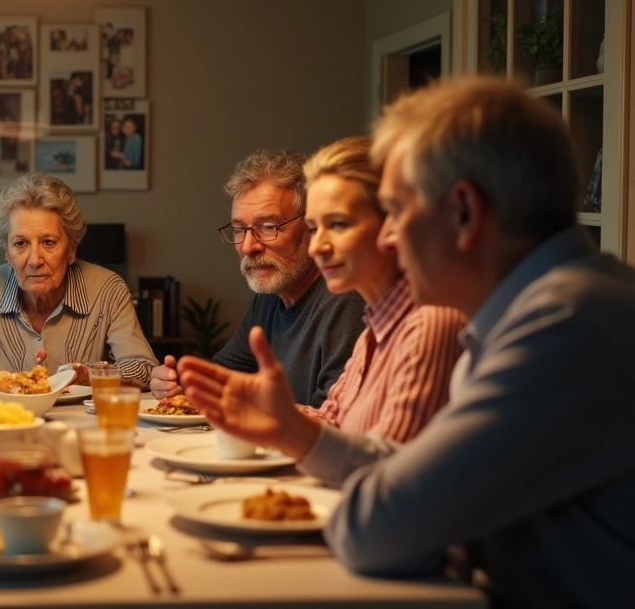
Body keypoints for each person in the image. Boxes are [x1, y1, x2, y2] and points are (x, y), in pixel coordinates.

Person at [179, 76, 635, 608]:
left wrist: (323, 451)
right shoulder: (555, 307)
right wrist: (298, 433)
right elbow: (402, 469)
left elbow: (378, 529)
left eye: (395, 210)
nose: (389, 237)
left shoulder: (562, 328)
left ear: (463, 212)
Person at [196, 136, 465, 451]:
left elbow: (387, 472)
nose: (318, 246)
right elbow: (332, 420)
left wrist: (272, 415)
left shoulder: (427, 323)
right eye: (314, 226)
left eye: (337, 224)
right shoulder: (377, 325)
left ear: (392, 224)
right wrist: (272, 410)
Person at [150, 149, 365, 408]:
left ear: (311, 227)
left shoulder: (345, 303)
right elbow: (222, 375)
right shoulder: (268, 299)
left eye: (268, 227)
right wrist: (175, 382)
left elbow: (335, 422)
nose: (248, 246)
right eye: (239, 229)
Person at [0, 173, 157, 387]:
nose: (34, 259)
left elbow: (144, 369)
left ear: (71, 250)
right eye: (21, 244)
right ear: (8, 254)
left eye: (49, 242)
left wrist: (92, 376)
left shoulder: (108, 290)